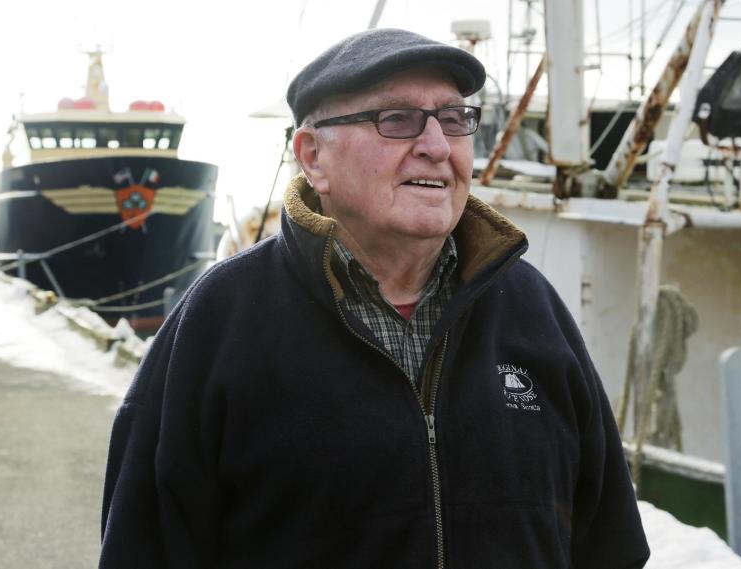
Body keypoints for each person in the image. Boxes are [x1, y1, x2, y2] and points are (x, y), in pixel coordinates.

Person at [99, 27, 649, 569]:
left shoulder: (532, 309)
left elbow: (610, 546)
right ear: (313, 156)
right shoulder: (217, 324)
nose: (436, 146)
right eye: (397, 120)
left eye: (455, 119)